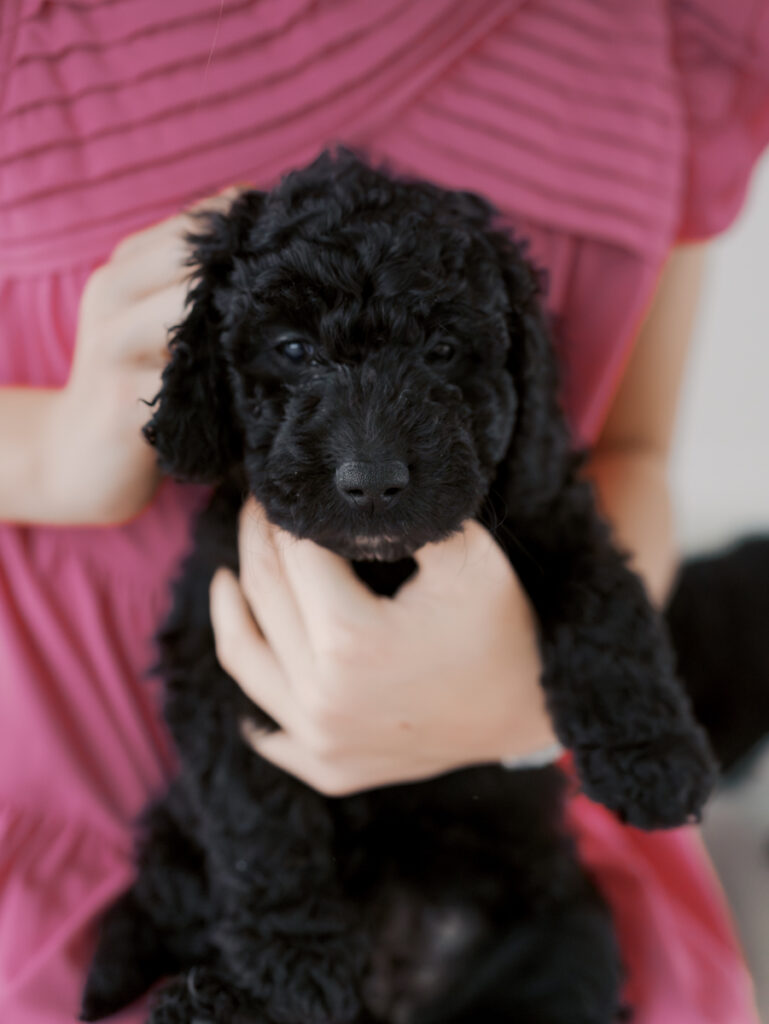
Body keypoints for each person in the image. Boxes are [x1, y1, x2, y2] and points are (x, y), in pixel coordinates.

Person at [1, 1, 767, 1020]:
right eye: (295, 354)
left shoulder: (681, 24)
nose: (366, 463)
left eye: (442, 355)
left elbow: (629, 455)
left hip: (511, 812)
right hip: (123, 841)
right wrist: (57, 449)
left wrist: (524, 697)